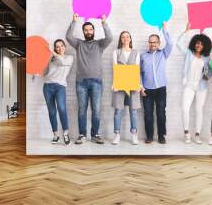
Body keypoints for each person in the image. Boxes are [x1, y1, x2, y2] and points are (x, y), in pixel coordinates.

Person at [66, 13, 113, 144]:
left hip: (97, 82)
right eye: (86, 30)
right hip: (81, 82)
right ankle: (82, 135)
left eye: (90, 29)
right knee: (82, 110)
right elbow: (68, 37)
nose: (88, 32)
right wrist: (73, 21)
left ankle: (95, 134)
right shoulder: (78, 44)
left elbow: (110, 37)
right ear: (83, 32)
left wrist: (104, 22)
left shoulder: (100, 44)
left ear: (94, 31)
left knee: (96, 110)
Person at [176, 23, 212, 144]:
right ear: (194, 43)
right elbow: (178, 44)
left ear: (205, 46)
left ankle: (197, 134)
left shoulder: (207, 58)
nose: (199, 45)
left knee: (199, 110)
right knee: (185, 109)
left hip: (201, 87)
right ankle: (186, 133)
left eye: (202, 44)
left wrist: (208, 75)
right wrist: (185, 31)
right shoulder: (189, 54)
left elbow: (210, 72)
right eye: (197, 43)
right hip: (189, 86)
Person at [140, 22, 173, 144]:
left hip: (161, 89)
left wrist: (164, 29)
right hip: (147, 89)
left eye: (155, 42)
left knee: (161, 113)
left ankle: (161, 136)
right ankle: (149, 136)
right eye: (151, 42)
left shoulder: (163, 53)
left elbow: (170, 43)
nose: (153, 44)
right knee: (148, 114)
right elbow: (138, 72)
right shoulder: (143, 55)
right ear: (149, 43)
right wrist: (141, 87)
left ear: (159, 43)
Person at [111, 31, 141, 145]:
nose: (125, 38)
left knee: (133, 110)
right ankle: (117, 134)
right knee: (118, 110)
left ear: (130, 39)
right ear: (120, 39)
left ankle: (134, 134)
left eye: (127, 36)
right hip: (120, 83)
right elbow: (115, 68)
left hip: (133, 83)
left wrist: (138, 84)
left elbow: (137, 69)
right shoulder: (116, 52)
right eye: (123, 37)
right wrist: (114, 84)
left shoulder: (136, 52)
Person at [42, 39, 74, 145]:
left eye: (61, 46)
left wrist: (52, 51)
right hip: (48, 87)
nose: (59, 48)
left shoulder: (69, 58)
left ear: (65, 47)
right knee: (52, 111)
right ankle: (55, 135)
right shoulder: (51, 59)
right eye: (57, 46)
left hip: (60, 86)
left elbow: (61, 62)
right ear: (55, 48)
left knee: (61, 108)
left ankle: (65, 133)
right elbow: (45, 72)